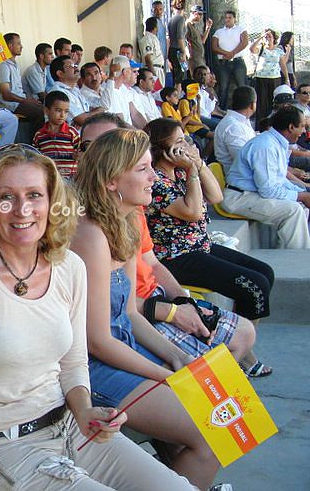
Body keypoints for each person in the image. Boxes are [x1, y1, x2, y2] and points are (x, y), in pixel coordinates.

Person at [0, 143, 196, 491]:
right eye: (6, 197)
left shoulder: (69, 266)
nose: (22, 209)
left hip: (72, 429)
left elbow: (73, 359)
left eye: (34, 195)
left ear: (52, 203)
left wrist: (85, 410)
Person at [72, 128, 223, 489]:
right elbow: (97, 341)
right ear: (111, 181)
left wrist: (175, 357)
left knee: (217, 409)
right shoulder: (90, 235)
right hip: (95, 366)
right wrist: (165, 376)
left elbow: (131, 315)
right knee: (214, 431)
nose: (154, 175)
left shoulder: (124, 220)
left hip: (124, 348)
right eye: (142, 169)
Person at [145, 118, 274, 376]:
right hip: (175, 255)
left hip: (200, 245)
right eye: (179, 141)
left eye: (186, 140)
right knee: (254, 286)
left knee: (265, 274)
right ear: (162, 148)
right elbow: (192, 212)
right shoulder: (155, 180)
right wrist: (192, 170)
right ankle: (243, 355)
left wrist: (198, 164)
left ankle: (241, 344)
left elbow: (217, 198)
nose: (187, 146)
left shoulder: (181, 170)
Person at [222, 105, 310, 249]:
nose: (304, 132)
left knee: (301, 206)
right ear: (291, 127)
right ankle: (296, 260)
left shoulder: (275, 142)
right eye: (302, 127)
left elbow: (280, 180)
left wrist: (304, 192)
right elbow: (268, 190)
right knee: (294, 210)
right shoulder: (266, 146)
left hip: (252, 194)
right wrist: (302, 196)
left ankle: (288, 253)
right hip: (239, 198)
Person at [0, 33, 43, 126]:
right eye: (18, 43)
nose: (21, 46)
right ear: (10, 46)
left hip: (20, 102)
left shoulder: (15, 65)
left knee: (47, 109)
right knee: (42, 113)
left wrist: (28, 99)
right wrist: (26, 101)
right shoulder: (3, 65)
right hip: (12, 105)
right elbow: (6, 95)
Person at [32, 90, 80, 179]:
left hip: (70, 178)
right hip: (50, 178)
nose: (62, 115)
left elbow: (81, 152)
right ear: (46, 111)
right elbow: (36, 157)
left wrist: (78, 156)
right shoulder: (39, 135)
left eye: (66, 111)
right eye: (58, 110)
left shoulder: (72, 132)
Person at [48, 55, 103, 128]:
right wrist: (103, 109)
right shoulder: (58, 92)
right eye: (71, 66)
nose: (76, 68)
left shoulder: (75, 90)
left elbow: (87, 114)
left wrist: (84, 118)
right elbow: (84, 119)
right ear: (60, 73)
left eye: (75, 65)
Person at [249, 29, 288, 128]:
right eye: (266, 36)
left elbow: (283, 65)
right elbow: (252, 49)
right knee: (261, 103)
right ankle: (260, 126)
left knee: (273, 102)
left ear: (274, 38)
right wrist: (260, 37)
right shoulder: (261, 49)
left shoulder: (278, 50)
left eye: (270, 36)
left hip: (275, 78)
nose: (267, 38)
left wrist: (287, 79)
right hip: (261, 78)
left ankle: (274, 124)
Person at [213, 86, 256, 173]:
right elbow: (245, 161)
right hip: (242, 180)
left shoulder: (241, 121)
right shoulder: (233, 127)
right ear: (252, 105)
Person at [212, 11, 249, 110]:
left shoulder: (240, 29)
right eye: (226, 17)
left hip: (238, 62)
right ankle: (222, 110)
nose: (227, 19)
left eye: (230, 17)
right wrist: (226, 53)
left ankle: (244, 109)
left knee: (242, 87)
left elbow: (245, 42)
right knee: (223, 88)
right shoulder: (219, 32)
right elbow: (214, 47)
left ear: (234, 19)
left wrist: (233, 53)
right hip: (224, 63)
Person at [99, 55, 144, 128]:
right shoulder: (108, 90)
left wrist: (148, 130)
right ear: (124, 72)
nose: (132, 72)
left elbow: (135, 114)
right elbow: (120, 121)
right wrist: (137, 134)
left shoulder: (123, 88)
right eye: (130, 69)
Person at [193, 66, 225, 131]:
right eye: (199, 74)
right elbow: (195, 111)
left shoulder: (204, 91)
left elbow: (209, 109)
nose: (202, 76)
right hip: (199, 118)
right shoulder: (192, 89)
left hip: (207, 116)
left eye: (204, 74)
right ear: (194, 76)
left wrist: (212, 99)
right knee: (222, 126)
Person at [139, 17, 165, 87]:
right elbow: (148, 58)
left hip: (159, 69)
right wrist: (154, 76)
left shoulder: (154, 38)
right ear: (155, 27)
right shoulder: (147, 38)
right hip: (154, 69)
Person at [167, 0, 189, 85]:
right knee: (180, 79)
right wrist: (183, 52)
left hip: (172, 50)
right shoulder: (180, 19)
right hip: (178, 50)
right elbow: (180, 37)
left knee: (175, 76)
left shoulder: (171, 20)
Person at [185, 5, 212, 75]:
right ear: (194, 13)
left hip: (199, 58)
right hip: (194, 59)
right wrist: (188, 54)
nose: (200, 16)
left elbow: (202, 40)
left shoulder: (194, 26)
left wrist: (208, 28)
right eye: (199, 14)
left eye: (201, 14)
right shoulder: (187, 25)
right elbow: (183, 40)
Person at [151, 0, 169, 73]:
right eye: (156, 10)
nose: (158, 12)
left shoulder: (161, 23)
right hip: (156, 59)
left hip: (163, 57)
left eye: (160, 9)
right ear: (152, 10)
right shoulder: (153, 23)